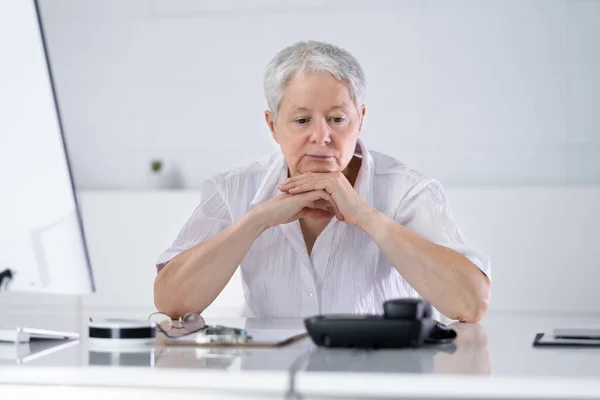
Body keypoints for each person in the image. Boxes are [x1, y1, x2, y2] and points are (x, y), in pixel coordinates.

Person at [154, 40, 491, 322]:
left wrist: (367, 217)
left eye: (337, 119)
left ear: (360, 119)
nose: (321, 136)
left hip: (384, 381)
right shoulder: (233, 189)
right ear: (273, 126)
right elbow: (171, 302)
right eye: (301, 120)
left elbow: (470, 303)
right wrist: (256, 220)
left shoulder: (407, 190)